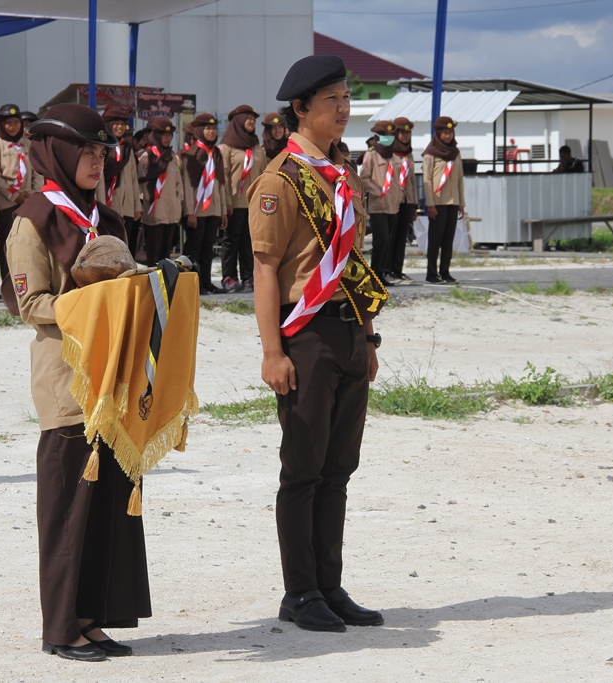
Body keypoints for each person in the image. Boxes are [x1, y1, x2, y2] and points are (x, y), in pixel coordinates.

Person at [249, 54, 388, 634]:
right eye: (331, 99)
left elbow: (351, 260)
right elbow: (264, 268)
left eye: (346, 97)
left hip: (349, 330)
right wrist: (272, 351)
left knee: (339, 468)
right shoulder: (281, 180)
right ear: (300, 110)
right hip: (303, 333)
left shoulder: (339, 173)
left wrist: (368, 337)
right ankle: (300, 590)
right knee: (302, 468)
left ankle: (330, 584)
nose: (343, 107)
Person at [6, 103, 150, 662]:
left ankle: (92, 617)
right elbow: (31, 302)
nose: (97, 161)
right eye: (87, 152)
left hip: (115, 380)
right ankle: (60, 626)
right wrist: (95, 300)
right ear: (60, 154)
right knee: (68, 509)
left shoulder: (106, 219)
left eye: (101, 153)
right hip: (69, 382)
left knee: (109, 508)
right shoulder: (35, 218)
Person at [0, 103, 33, 301]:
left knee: (27, 242)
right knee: (7, 244)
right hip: (6, 202)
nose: (13, 127)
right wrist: (14, 195)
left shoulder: (27, 144)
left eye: (16, 122)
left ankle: (26, 284)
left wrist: (34, 193)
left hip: (28, 200)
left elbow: (36, 171)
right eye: (9, 123)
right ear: (1, 123)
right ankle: (8, 285)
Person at [219, 104, 264, 292]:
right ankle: (229, 276)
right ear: (238, 121)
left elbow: (263, 174)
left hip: (253, 203)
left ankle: (248, 276)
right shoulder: (227, 148)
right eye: (248, 118)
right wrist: (227, 202)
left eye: (254, 120)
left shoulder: (257, 147)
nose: (252, 122)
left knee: (249, 241)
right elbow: (224, 177)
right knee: (232, 241)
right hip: (234, 203)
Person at [181, 112, 227, 294]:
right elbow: (187, 185)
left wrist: (223, 210)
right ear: (199, 130)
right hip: (197, 210)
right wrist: (190, 212)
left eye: (214, 129)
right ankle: (193, 283)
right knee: (194, 247)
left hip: (214, 208)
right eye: (207, 128)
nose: (211, 132)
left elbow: (220, 182)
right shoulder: (192, 154)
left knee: (208, 248)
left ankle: (206, 282)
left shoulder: (216, 153)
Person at [422, 116, 465, 285]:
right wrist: (430, 204)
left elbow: (460, 179)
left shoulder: (455, 152)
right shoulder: (430, 153)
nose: (448, 136)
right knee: (435, 239)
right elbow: (427, 180)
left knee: (448, 239)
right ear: (438, 134)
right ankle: (431, 274)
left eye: (450, 132)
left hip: (453, 201)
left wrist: (461, 203)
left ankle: (445, 272)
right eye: (445, 133)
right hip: (438, 202)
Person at [359, 120, 402, 286]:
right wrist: (377, 191)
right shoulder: (371, 155)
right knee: (381, 240)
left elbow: (398, 180)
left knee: (389, 241)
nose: (388, 138)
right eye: (385, 135)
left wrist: (400, 195)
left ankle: (382, 274)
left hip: (393, 205)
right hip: (378, 206)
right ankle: (374, 274)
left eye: (391, 135)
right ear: (377, 136)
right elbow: (364, 178)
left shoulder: (395, 156)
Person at [137, 117, 183, 264]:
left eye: (169, 135)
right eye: (163, 134)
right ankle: (154, 285)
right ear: (155, 135)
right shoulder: (147, 157)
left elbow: (178, 182)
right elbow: (141, 184)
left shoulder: (172, 157)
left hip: (170, 212)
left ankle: (166, 284)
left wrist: (178, 202)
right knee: (154, 254)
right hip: (154, 212)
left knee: (166, 253)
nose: (167, 138)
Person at [97, 108, 141, 255]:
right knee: (109, 245)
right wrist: (100, 203)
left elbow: (134, 178)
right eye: (116, 123)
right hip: (109, 203)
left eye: (123, 123)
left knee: (124, 243)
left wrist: (136, 205)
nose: (120, 127)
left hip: (127, 205)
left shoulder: (127, 149)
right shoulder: (101, 147)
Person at [387, 117, 417, 283]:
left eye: (408, 132)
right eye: (402, 132)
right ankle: (387, 269)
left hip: (407, 199)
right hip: (392, 200)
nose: (405, 136)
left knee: (402, 236)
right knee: (391, 236)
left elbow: (412, 179)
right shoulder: (389, 152)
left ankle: (398, 270)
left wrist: (414, 204)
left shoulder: (409, 153)